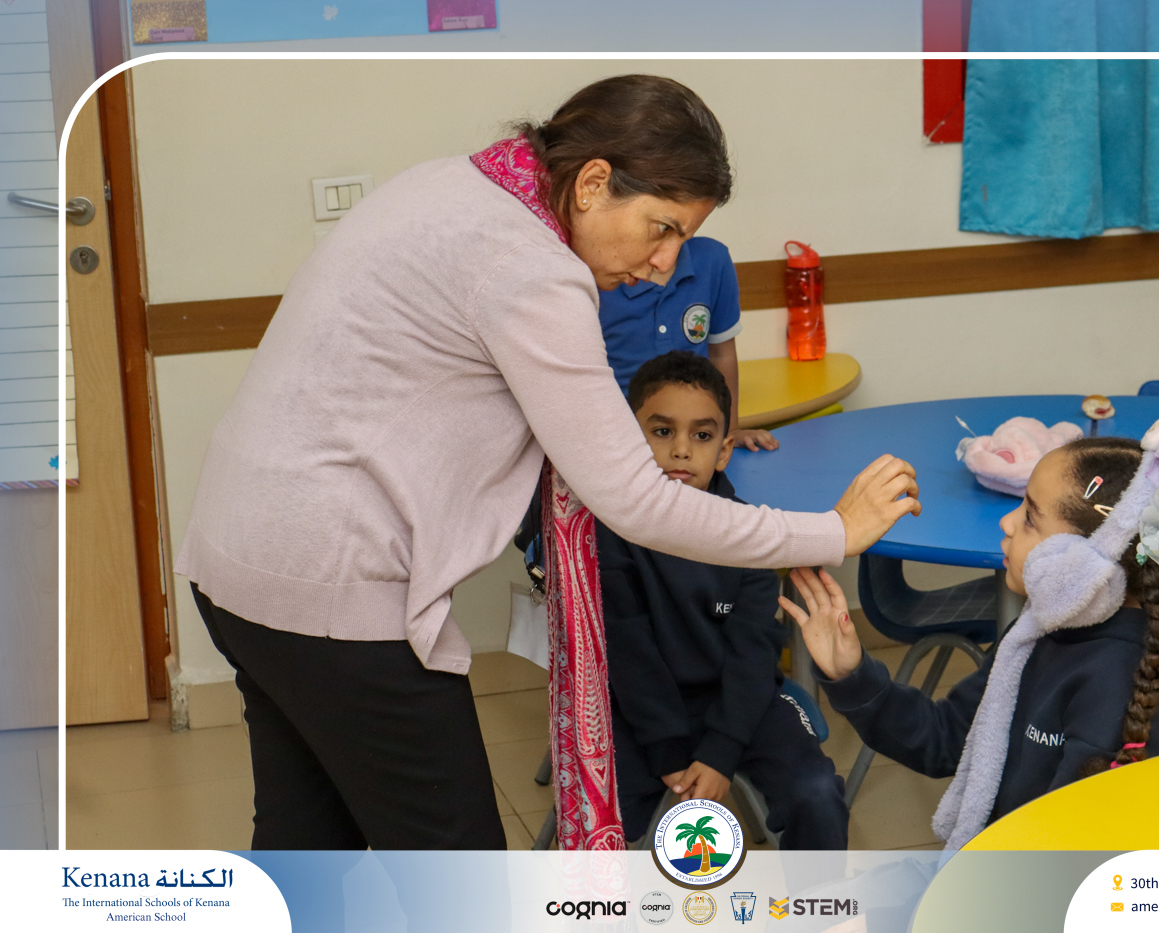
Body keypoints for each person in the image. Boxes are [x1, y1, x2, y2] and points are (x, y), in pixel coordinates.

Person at [178, 74, 919, 851]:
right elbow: (637, 500)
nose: (665, 264)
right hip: (326, 582)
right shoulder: (530, 267)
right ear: (593, 182)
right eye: (661, 228)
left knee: (306, 840)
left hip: (240, 555)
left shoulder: (460, 184)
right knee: (459, 870)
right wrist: (833, 531)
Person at [782, 417, 1159, 851]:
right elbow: (946, 738)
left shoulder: (1114, 687)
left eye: (1030, 517)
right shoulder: (1037, 633)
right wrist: (852, 674)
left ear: (1086, 562)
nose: (1006, 523)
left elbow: (1073, 858)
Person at [598, 351, 847, 848]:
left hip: (740, 702)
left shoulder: (750, 533)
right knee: (603, 816)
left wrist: (720, 752)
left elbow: (753, 653)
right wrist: (669, 753)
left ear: (725, 450)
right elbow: (629, 654)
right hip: (636, 707)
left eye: (702, 436)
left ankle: (821, 899)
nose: (681, 451)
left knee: (817, 792)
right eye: (662, 432)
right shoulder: (610, 532)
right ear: (630, 439)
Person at [599, 235, 778, 452]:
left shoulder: (712, 259)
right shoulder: (599, 270)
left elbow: (722, 354)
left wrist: (730, 431)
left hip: (695, 440)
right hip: (617, 443)